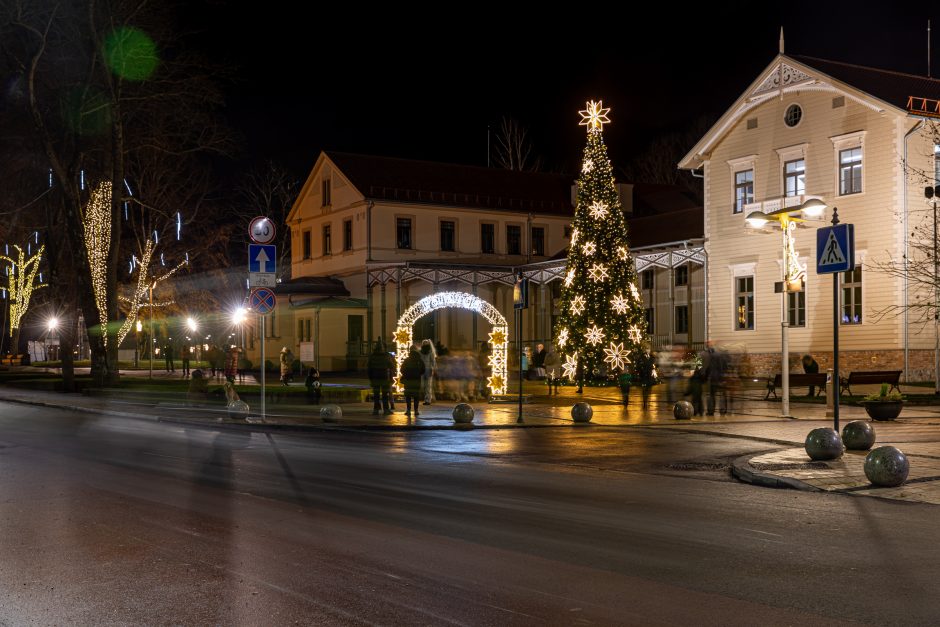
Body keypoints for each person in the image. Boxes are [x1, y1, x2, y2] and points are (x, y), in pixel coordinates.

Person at [368, 342, 393, 415]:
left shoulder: (372, 356)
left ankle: (376, 409)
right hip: (384, 377)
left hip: (375, 377)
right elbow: (391, 366)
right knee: (385, 394)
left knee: (376, 395)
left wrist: (371, 378)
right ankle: (386, 409)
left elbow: (369, 368)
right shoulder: (386, 356)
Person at [401, 346, 425, 418]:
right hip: (416, 380)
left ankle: (408, 410)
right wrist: (418, 374)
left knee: (408, 396)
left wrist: (406, 374)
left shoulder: (407, 360)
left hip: (408, 381)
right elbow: (423, 370)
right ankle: (416, 410)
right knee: (416, 396)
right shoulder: (419, 360)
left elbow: (402, 369)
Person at [419, 339, 436, 405]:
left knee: (427, 385)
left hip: (427, 370)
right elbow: (433, 362)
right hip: (425, 369)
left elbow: (433, 362)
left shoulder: (429, 352)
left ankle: (428, 399)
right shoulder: (421, 352)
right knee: (425, 385)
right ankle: (427, 399)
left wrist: (433, 369)